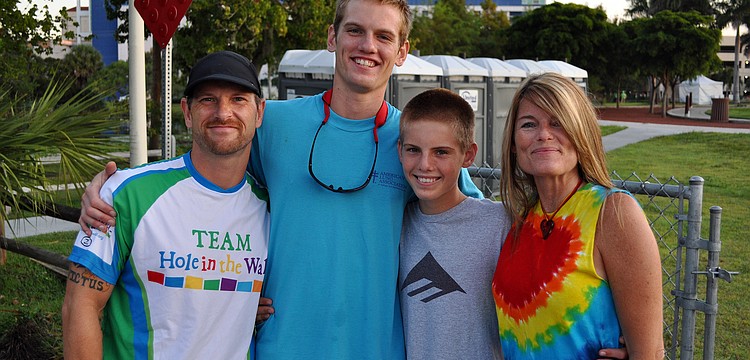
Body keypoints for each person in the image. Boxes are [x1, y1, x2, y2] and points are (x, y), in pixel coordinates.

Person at [79, 1, 480, 358]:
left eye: (383, 36)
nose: (367, 46)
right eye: (354, 30)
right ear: (332, 37)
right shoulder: (273, 122)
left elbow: (471, 221)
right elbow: (198, 185)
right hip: (278, 345)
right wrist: (107, 192)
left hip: (377, 347)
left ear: (402, 51)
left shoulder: (415, 144)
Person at [62, 51, 269, 359]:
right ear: (187, 111)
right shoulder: (127, 193)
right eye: (207, 100)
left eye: (238, 99)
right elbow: (79, 306)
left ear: (260, 112)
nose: (223, 112)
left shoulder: (270, 209)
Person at [491, 72, 664, 359]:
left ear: (581, 132)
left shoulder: (613, 214)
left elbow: (650, 353)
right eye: (529, 124)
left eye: (558, 122)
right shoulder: (517, 220)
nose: (543, 134)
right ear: (513, 143)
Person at [397, 88, 510, 360]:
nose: (425, 164)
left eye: (441, 152)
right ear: (399, 151)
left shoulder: (500, 224)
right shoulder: (394, 225)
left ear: (468, 155)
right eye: (414, 150)